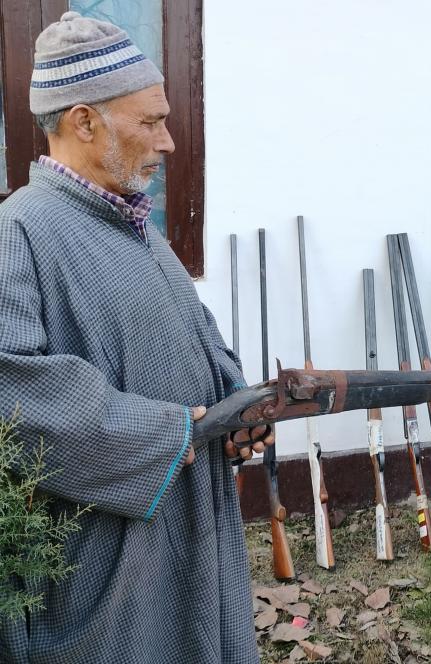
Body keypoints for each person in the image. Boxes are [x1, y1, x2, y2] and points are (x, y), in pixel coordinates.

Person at [0, 12, 270, 663]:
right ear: (84, 120)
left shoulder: (138, 229)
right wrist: (168, 434)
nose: (169, 141)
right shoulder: (19, 232)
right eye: (150, 121)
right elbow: (11, 391)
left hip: (191, 514)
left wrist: (236, 403)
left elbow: (196, 337)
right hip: (102, 556)